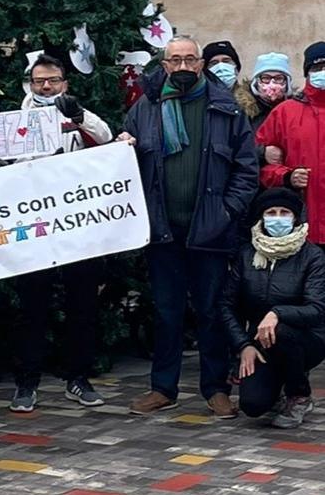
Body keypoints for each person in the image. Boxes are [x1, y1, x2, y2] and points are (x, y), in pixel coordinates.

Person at [119, 35, 258, 418]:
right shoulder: (145, 109)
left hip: (210, 231)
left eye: (189, 60)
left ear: (201, 65)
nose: (182, 67)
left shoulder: (226, 109)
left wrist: (226, 212)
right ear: (164, 65)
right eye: (174, 60)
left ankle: (215, 389)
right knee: (166, 311)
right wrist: (123, 148)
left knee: (212, 310)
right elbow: (126, 168)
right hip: (163, 230)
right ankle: (163, 387)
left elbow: (247, 170)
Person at [10, 53, 113, 412]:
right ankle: (27, 382)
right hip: (36, 226)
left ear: (65, 83)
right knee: (32, 306)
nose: (47, 87)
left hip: (76, 226)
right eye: (40, 81)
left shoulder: (77, 112)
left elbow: (106, 137)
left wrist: (78, 115)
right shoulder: (16, 120)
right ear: (30, 84)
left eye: (53, 80)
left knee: (82, 304)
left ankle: (78, 378)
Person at [221, 188, 325, 426]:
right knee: (253, 406)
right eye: (271, 212)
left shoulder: (312, 256)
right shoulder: (247, 254)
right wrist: (243, 345)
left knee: (280, 333)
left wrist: (277, 313)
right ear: (262, 218)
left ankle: (299, 394)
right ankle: (277, 384)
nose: (278, 217)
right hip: (259, 341)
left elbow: (317, 308)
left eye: (284, 212)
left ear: (295, 218)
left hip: (306, 338)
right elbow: (227, 305)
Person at [257, 42, 325, 246]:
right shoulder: (285, 112)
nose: (323, 72)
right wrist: (287, 177)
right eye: (317, 68)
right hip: (301, 225)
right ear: (306, 73)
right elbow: (257, 166)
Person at [234, 53, 293, 159]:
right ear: (256, 82)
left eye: (279, 78)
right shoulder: (241, 111)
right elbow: (233, 146)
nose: (272, 84)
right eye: (265, 78)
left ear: (287, 82)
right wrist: (262, 152)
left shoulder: (295, 111)